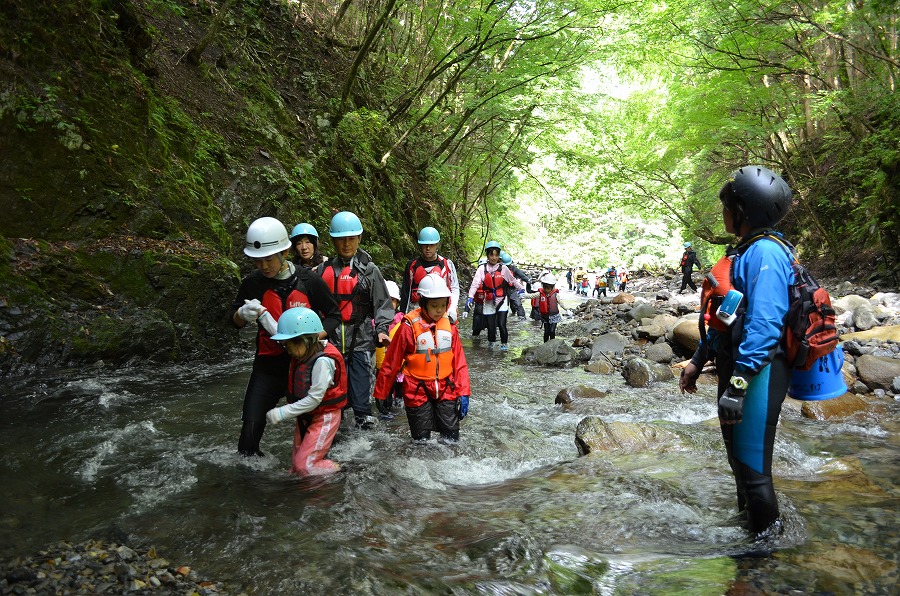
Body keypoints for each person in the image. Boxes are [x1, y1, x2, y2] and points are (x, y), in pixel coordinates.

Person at [679, 165, 795, 539]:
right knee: (739, 464)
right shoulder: (745, 253)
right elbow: (726, 316)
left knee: (754, 473)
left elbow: (764, 324)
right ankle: (750, 542)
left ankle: (763, 568)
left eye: (729, 205)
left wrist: (739, 385)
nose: (724, 212)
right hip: (739, 370)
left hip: (758, 373)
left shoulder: (766, 253)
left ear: (746, 210)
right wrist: (698, 361)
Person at [230, 217, 341, 457]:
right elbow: (233, 322)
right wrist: (241, 314)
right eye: (257, 261)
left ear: (285, 252)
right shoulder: (252, 284)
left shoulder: (309, 281)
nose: (263, 266)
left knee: (311, 432)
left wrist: (312, 340)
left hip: (303, 366)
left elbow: (334, 316)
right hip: (267, 367)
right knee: (249, 432)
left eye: (269, 259)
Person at [316, 211, 394, 430]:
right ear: (333, 241)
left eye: (351, 238)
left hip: (360, 340)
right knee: (334, 400)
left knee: (361, 401)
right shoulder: (323, 271)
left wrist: (381, 330)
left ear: (359, 239)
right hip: (330, 344)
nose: (347, 244)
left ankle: (363, 435)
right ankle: (335, 429)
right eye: (341, 239)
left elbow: (382, 305)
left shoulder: (370, 271)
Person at [374, 273, 471, 443]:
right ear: (423, 302)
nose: (439, 310)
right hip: (416, 389)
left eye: (443, 305)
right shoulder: (408, 327)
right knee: (421, 442)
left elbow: (459, 363)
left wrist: (464, 392)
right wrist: (381, 393)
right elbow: (392, 361)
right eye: (434, 305)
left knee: (451, 440)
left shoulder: (450, 326)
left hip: (446, 388)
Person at [264, 307, 346, 475]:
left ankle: (342, 470)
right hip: (306, 415)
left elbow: (315, 399)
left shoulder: (322, 362)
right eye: (286, 345)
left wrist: (282, 413)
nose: (288, 349)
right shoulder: (304, 350)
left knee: (305, 466)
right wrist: (262, 314)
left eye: (291, 344)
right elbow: (279, 330)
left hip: (325, 416)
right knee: (295, 467)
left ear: (308, 340)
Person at [466, 241, 526, 351]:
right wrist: (470, 297)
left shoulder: (504, 269)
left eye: (496, 255)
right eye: (491, 254)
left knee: (502, 325)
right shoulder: (482, 269)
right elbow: (475, 284)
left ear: (499, 255)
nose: (494, 257)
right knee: (491, 326)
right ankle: (491, 344)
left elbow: (512, 280)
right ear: (487, 255)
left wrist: (521, 289)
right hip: (488, 301)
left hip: (502, 300)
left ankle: (504, 345)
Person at [399, 226, 461, 322]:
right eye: (425, 245)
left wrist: (452, 309)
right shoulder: (412, 265)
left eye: (431, 245)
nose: (428, 248)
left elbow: (454, 288)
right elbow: (406, 293)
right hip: (417, 312)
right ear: (420, 245)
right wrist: (403, 315)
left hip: (440, 312)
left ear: (437, 245)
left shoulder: (447, 264)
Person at [374, 280, 406, 413]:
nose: (388, 304)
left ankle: (398, 414)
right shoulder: (373, 322)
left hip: (399, 369)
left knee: (400, 398)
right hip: (381, 369)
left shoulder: (403, 321)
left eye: (392, 300)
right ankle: (385, 412)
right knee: (384, 399)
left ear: (397, 303)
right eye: (385, 300)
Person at [523, 273, 561, 342]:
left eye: (548, 288)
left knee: (552, 331)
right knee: (546, 332)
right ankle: (545, 344)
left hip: (554, 316)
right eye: (545, 288)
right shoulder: (540, 294)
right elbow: (531, 296)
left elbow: (561, 303)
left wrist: (567, 309)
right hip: (545, 316)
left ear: (552, 287)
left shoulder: (556, 295)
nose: (546, 290)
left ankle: (552, 344)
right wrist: (523, 295)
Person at [500, 251, 529, 321]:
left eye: (509, 265)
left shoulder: (513, 268)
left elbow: (521, 275)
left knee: (517, 304)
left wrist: (528, 280)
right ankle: (502, 319)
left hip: (512, 289)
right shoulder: (498, 268)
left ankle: (522, 317)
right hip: (502, 289)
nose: (508, 266)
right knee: (503, 305)